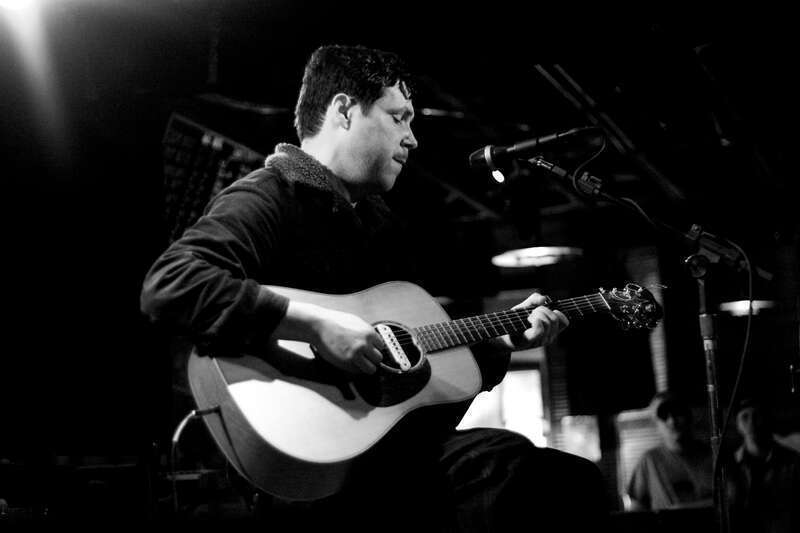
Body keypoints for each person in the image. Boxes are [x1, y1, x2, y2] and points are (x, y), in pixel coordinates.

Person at [141, 44, 607, 531]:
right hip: (311, 481)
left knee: (557, 476)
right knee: (533, 477)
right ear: (344, 110)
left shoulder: (377, 225)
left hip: (386, 461)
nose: (412, 139)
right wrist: (315, 325)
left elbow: (419, 362)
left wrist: (503, 340)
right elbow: (172, 283)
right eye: (398, 117)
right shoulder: (271, 195)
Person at [626, 391, 713, 511]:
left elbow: (732, 500)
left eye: (677, 412)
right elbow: (636, 512)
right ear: (656, 424)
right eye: (663, 415)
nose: (672, 421)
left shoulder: (714, 455)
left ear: (689, 415)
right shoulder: (649, 462)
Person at [725, 397, 800, 533]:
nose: (752, 422)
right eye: (745, 417)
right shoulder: (731, 465)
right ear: (737, 424)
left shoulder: (792, 461)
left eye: (757, 415)